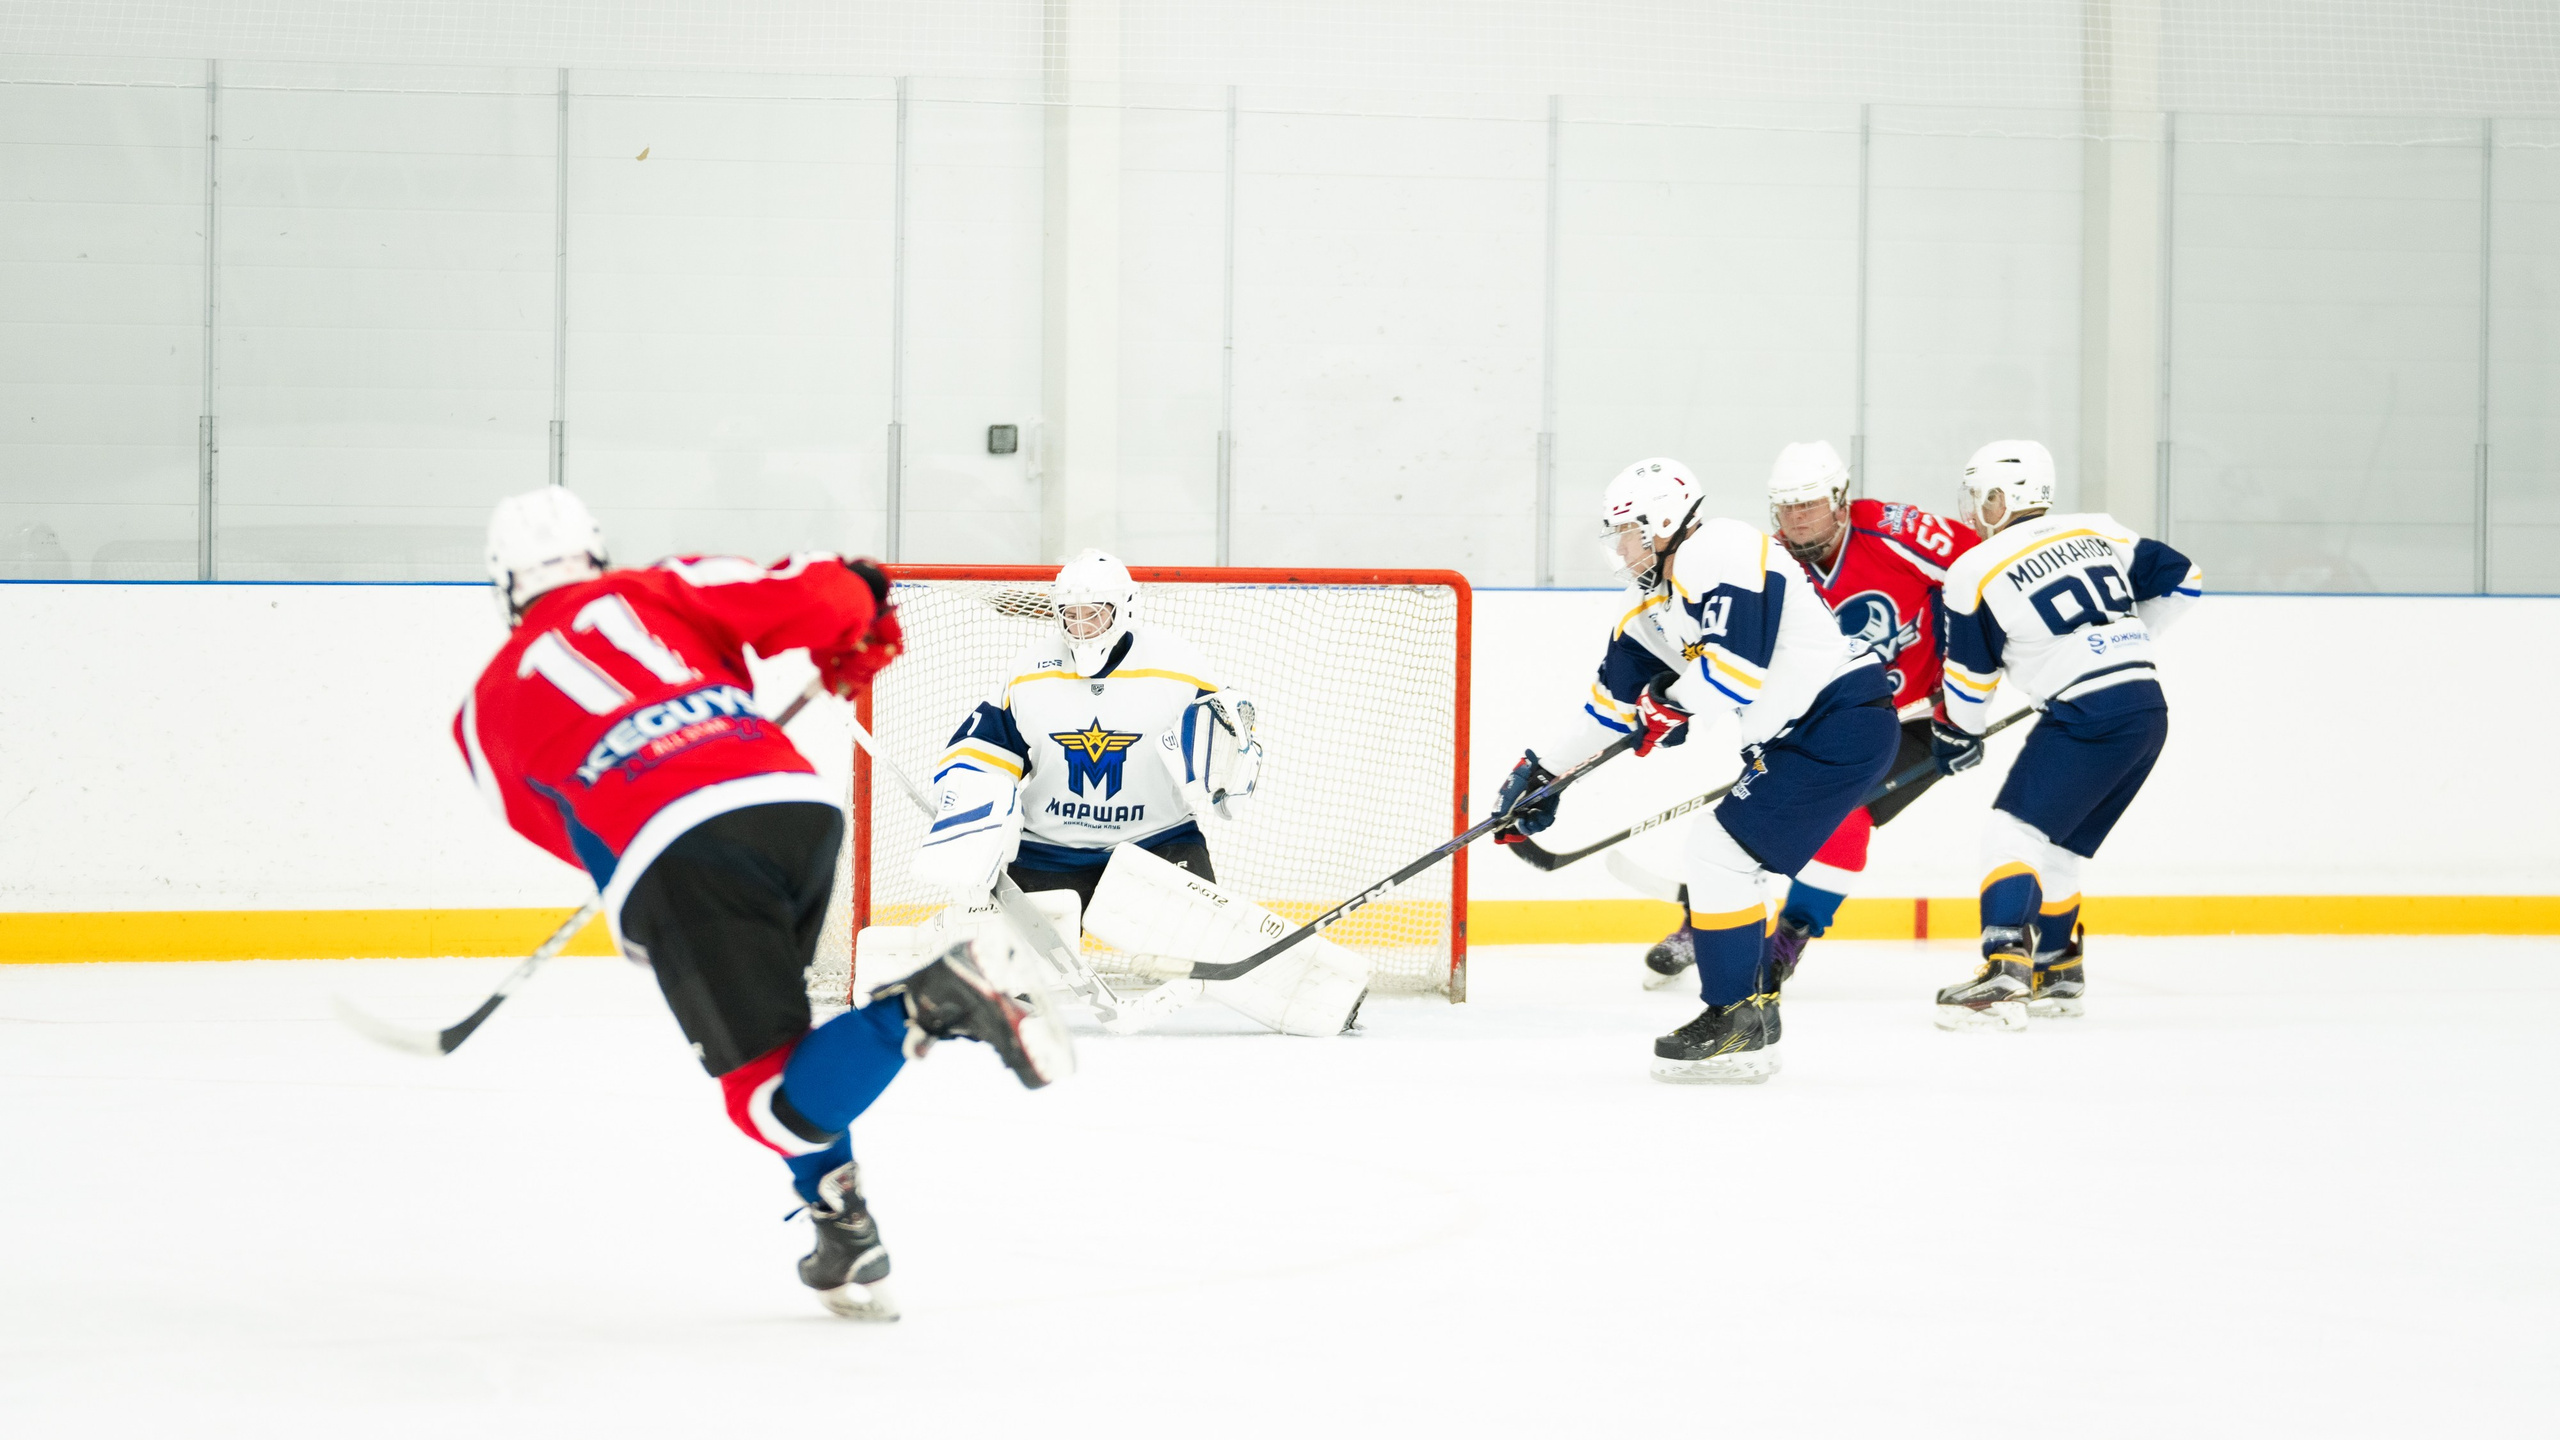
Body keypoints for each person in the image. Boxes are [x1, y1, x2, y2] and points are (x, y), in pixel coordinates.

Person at [454, 487, 1067, 1321]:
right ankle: (841, 1224)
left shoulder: (481, 711)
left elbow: (559, 828)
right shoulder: (657, 587)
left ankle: (932, 997)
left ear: (504, 584)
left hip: (680, 850)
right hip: (793, 809)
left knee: (764, 1102)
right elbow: (831, 591)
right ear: (596, 554)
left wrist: (654, 866)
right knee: (791, 1050)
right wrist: (858, 617)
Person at [1497, 458, 1900, 1083]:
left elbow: (1735, 671)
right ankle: (1750, 1017)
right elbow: (1608, 709)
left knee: (1719, 853)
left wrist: (1671, 703)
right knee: (1725, 857)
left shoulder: (1723, 548)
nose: (1620, 548)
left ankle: (1736, 1019)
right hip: (1802, 735)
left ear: (1664, 523)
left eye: (1628, 532)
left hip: (1839, 720)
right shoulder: (1647, 603)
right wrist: (1542, 774)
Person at [1639, 440, 1980, 989]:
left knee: (1847, 819)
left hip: (1915, 716)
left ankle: (1789, 937)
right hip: (1815, 718)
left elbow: (1987, 569)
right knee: (1749, 822)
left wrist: (1968, 689)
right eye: (1787, 506)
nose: (1797, 518)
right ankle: (1706, 925)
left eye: (1810, 504)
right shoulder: (1762, 561)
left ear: (1840, 498)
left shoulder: (1894, 532)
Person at [1928, 440, 2202, 1029]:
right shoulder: (2097, 529)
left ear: (2006, 498)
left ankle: (2005, 969)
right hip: (2145, 709)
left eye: (1981, 497)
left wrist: (1961, 732)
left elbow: (1971, 676)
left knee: (2011, 834)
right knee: (2058, 848)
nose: (1973, 509)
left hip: (2087, 714)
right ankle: (2057, 969)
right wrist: (2121, 643)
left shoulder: (1975, 568)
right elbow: (2186, 577)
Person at [913, 548, 1263, 913]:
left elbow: (1228, 737)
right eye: (1071, 614)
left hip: (1158, 842)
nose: (1081, 626)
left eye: (1095, 613)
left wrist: (1232, 768)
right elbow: (984, 749)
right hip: (1048, 850)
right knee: (1007, 949)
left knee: (1198, 939)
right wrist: (968, 814)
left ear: (1125, 607)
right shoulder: (1030, 672)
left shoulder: (1179, 667)